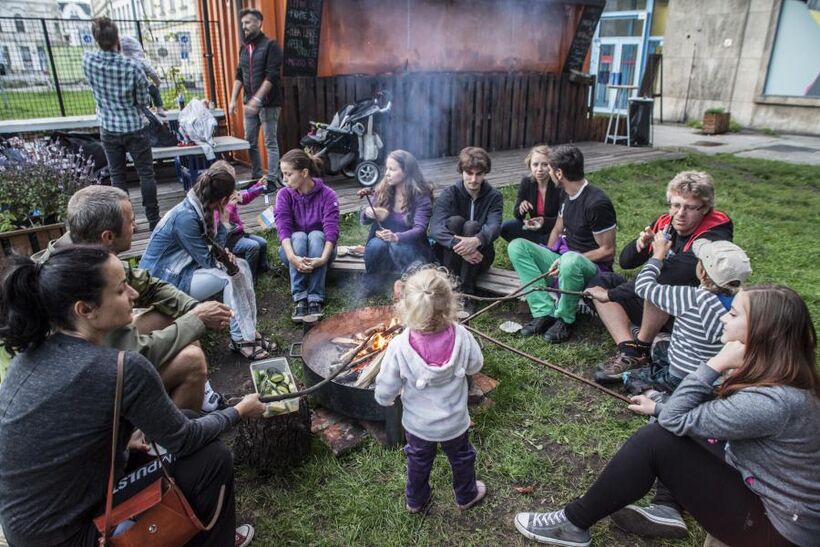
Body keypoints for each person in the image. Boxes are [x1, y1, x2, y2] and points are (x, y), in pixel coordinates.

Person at [514, 285, 820, 547]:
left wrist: (714, 363)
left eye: (735, 314)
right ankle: (667, 508)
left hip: (779, 532)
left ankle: (572, 523)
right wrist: (659, 408)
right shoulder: (782, 378)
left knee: (658, 439)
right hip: (773, 500)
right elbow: (702, 416)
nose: (725, 317)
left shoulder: (771, 401)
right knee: (670, 427)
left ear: (760, 333)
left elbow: (677, 419)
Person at [0, 246, 265, 547]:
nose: (134, 295)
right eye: (120, 290)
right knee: (212, 459)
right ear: (85, 309)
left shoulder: (30, 355)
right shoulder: (121, 368)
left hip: (28, 525)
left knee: (186, 419)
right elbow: (186, 439)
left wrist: (123, 440)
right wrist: (240, 410)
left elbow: (57, 435)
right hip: (70, 535)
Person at [33, 185, 233, 412]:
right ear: (107, 236)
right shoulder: (78, 279)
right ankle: (164, 441)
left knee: (182, 320)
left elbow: (150, 286)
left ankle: (196, 398)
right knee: (193, 359)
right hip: (80, 391)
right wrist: (197, 319)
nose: (136, 227)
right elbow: (133, 351)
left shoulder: (86, 249)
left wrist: (195, 308)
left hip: (99, 354)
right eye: (130, 221)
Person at [585, 171, 733, 379]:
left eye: (690, 207)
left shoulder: (713, 234)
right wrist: (642, 246)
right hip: (655, 297)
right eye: (676, 205)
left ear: (705, 209)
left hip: (690, 315)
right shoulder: (666, 222)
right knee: (600, 283)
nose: (680, 213)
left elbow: (666, 275)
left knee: (659, 289)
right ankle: (630, 348)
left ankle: (642, 347)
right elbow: (626, 262)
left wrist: (612, 296)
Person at [375, 267, 486, 513]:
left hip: (418, 425)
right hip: (455, 422)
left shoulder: (400, 346)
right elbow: (476, 364)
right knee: (462, 458)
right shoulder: (462, 336)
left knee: (418, 461)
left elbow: (385, 388)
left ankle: (416, 500)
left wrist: (385, 399)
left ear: (406, 306)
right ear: (450, 303)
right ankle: (466, 494)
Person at [140, 161, 272, 361]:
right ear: (224, 198)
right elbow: (209, 261)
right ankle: (239, 339)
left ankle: (249, 331)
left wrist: (225, 251)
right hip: (165, 279)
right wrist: (226, 223)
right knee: (230, 277)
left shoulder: (201, 206)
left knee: (241, 266)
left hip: (184, 269)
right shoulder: (185, 218)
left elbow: (214, 248)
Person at [599, 237, 752, 391]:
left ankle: (658, 397)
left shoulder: (689, 297)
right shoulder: (742, 305)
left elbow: (643, 286)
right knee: (661, 346)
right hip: (712, 375)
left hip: (679, 375)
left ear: (703, 272)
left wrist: (657, 255)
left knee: (631, 378)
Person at [507, 144, 616, 343]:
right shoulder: (566, 193)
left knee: (570, 260)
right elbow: (557, 229)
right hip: (563, 259)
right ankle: (544, 312)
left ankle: (565, 318)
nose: (546, 171)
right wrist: (548, 257)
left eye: (549, 168)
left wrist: (566, 260)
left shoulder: (597, 203)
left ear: (559, 173)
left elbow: (608, 251)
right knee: (517, 246)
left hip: (590, 268)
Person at [82, 17, 160, 230]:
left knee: (118, 176)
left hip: (108, 127)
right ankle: (153, 219)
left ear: (96, 39)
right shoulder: (132, 66)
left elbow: (92, 86)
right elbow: (144, 101)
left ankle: (127, 223)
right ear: (118, 38)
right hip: (134, 127)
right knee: (146, 174)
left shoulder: (88, 61)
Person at [429, 147, 503, 301]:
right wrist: (462, 247)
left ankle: (467, 293)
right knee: (455, 221)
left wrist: (476, 241)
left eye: (479, 174)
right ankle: (452, 286)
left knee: (472, 226)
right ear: (461, 172)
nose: (474, 180)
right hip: (449, 257)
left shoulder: (494, 196)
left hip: (480, 256)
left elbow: (494, 227)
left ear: (485, 174)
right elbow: (435, 228)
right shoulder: (449, 194)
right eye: (469, 173)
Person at [358, 149, 435, 296]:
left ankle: (410, 283)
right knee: (375, 245)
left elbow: (420, 229)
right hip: (384, 249)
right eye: (387, 168)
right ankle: (371, 282)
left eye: (392, 169)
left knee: (398, 245)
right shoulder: (384, 189)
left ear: (406, 172)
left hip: (411, 251)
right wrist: (369, 213)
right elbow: (363, 219)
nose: (387, 173)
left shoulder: (420, 196)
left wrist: (396, 237)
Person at [275, 149, 340, 322]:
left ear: (304, 173)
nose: (284, 179)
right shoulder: (284, 195)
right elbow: (283, 228)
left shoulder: (328, 195)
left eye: (289, 174)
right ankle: (300, 298)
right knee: (299, 237)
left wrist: (323, 259)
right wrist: (292, 257)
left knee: (317, 235)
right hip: (292, 252)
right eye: (283, 174)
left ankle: (315, 298)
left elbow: (331, 232)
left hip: (322, 252)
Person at [229, 8, 283, 186]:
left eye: (248, 22)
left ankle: (273, 180)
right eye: (243, 23)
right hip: (249, 105)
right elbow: (239, 75)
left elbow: (272, 75)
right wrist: (232, 100)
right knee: (250, 141)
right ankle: (256, 176)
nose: (244, 26)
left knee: (270, 142)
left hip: (268, 104)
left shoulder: (271, 46)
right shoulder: (244, 48)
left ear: (259, 23)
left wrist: (257, 99)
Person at [500, 145, 561, 245]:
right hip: (535, 228)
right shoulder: (527, 182)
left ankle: (541, 245)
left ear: (551, 166)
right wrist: (521, 208)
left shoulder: (558, 185)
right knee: (505, 227)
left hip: (555, 230)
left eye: (545, 164)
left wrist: (544, 222)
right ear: (530, 166)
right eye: (535, 164)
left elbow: (566, 219)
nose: (539, 169)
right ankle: (540, 244)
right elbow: (517, 216)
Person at [217, 173, 269, 280]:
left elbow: (245, 197)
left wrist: (259, 185)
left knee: (262, 242)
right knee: (253, 246)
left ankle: (262, 268)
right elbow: (221, 221)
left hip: (239, 234)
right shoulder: (218, 201)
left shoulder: (231, 193)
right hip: (229, 240)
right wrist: (231, 205)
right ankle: (248, 278)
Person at [119, 35, 166, 118]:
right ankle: (159, 108)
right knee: (155, 92)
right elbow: (152, 73)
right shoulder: (141, 61)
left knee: (136, 102)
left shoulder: (122, 62)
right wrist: (157, 83)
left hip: (127, 90)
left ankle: (141, 114)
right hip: (143, 88)